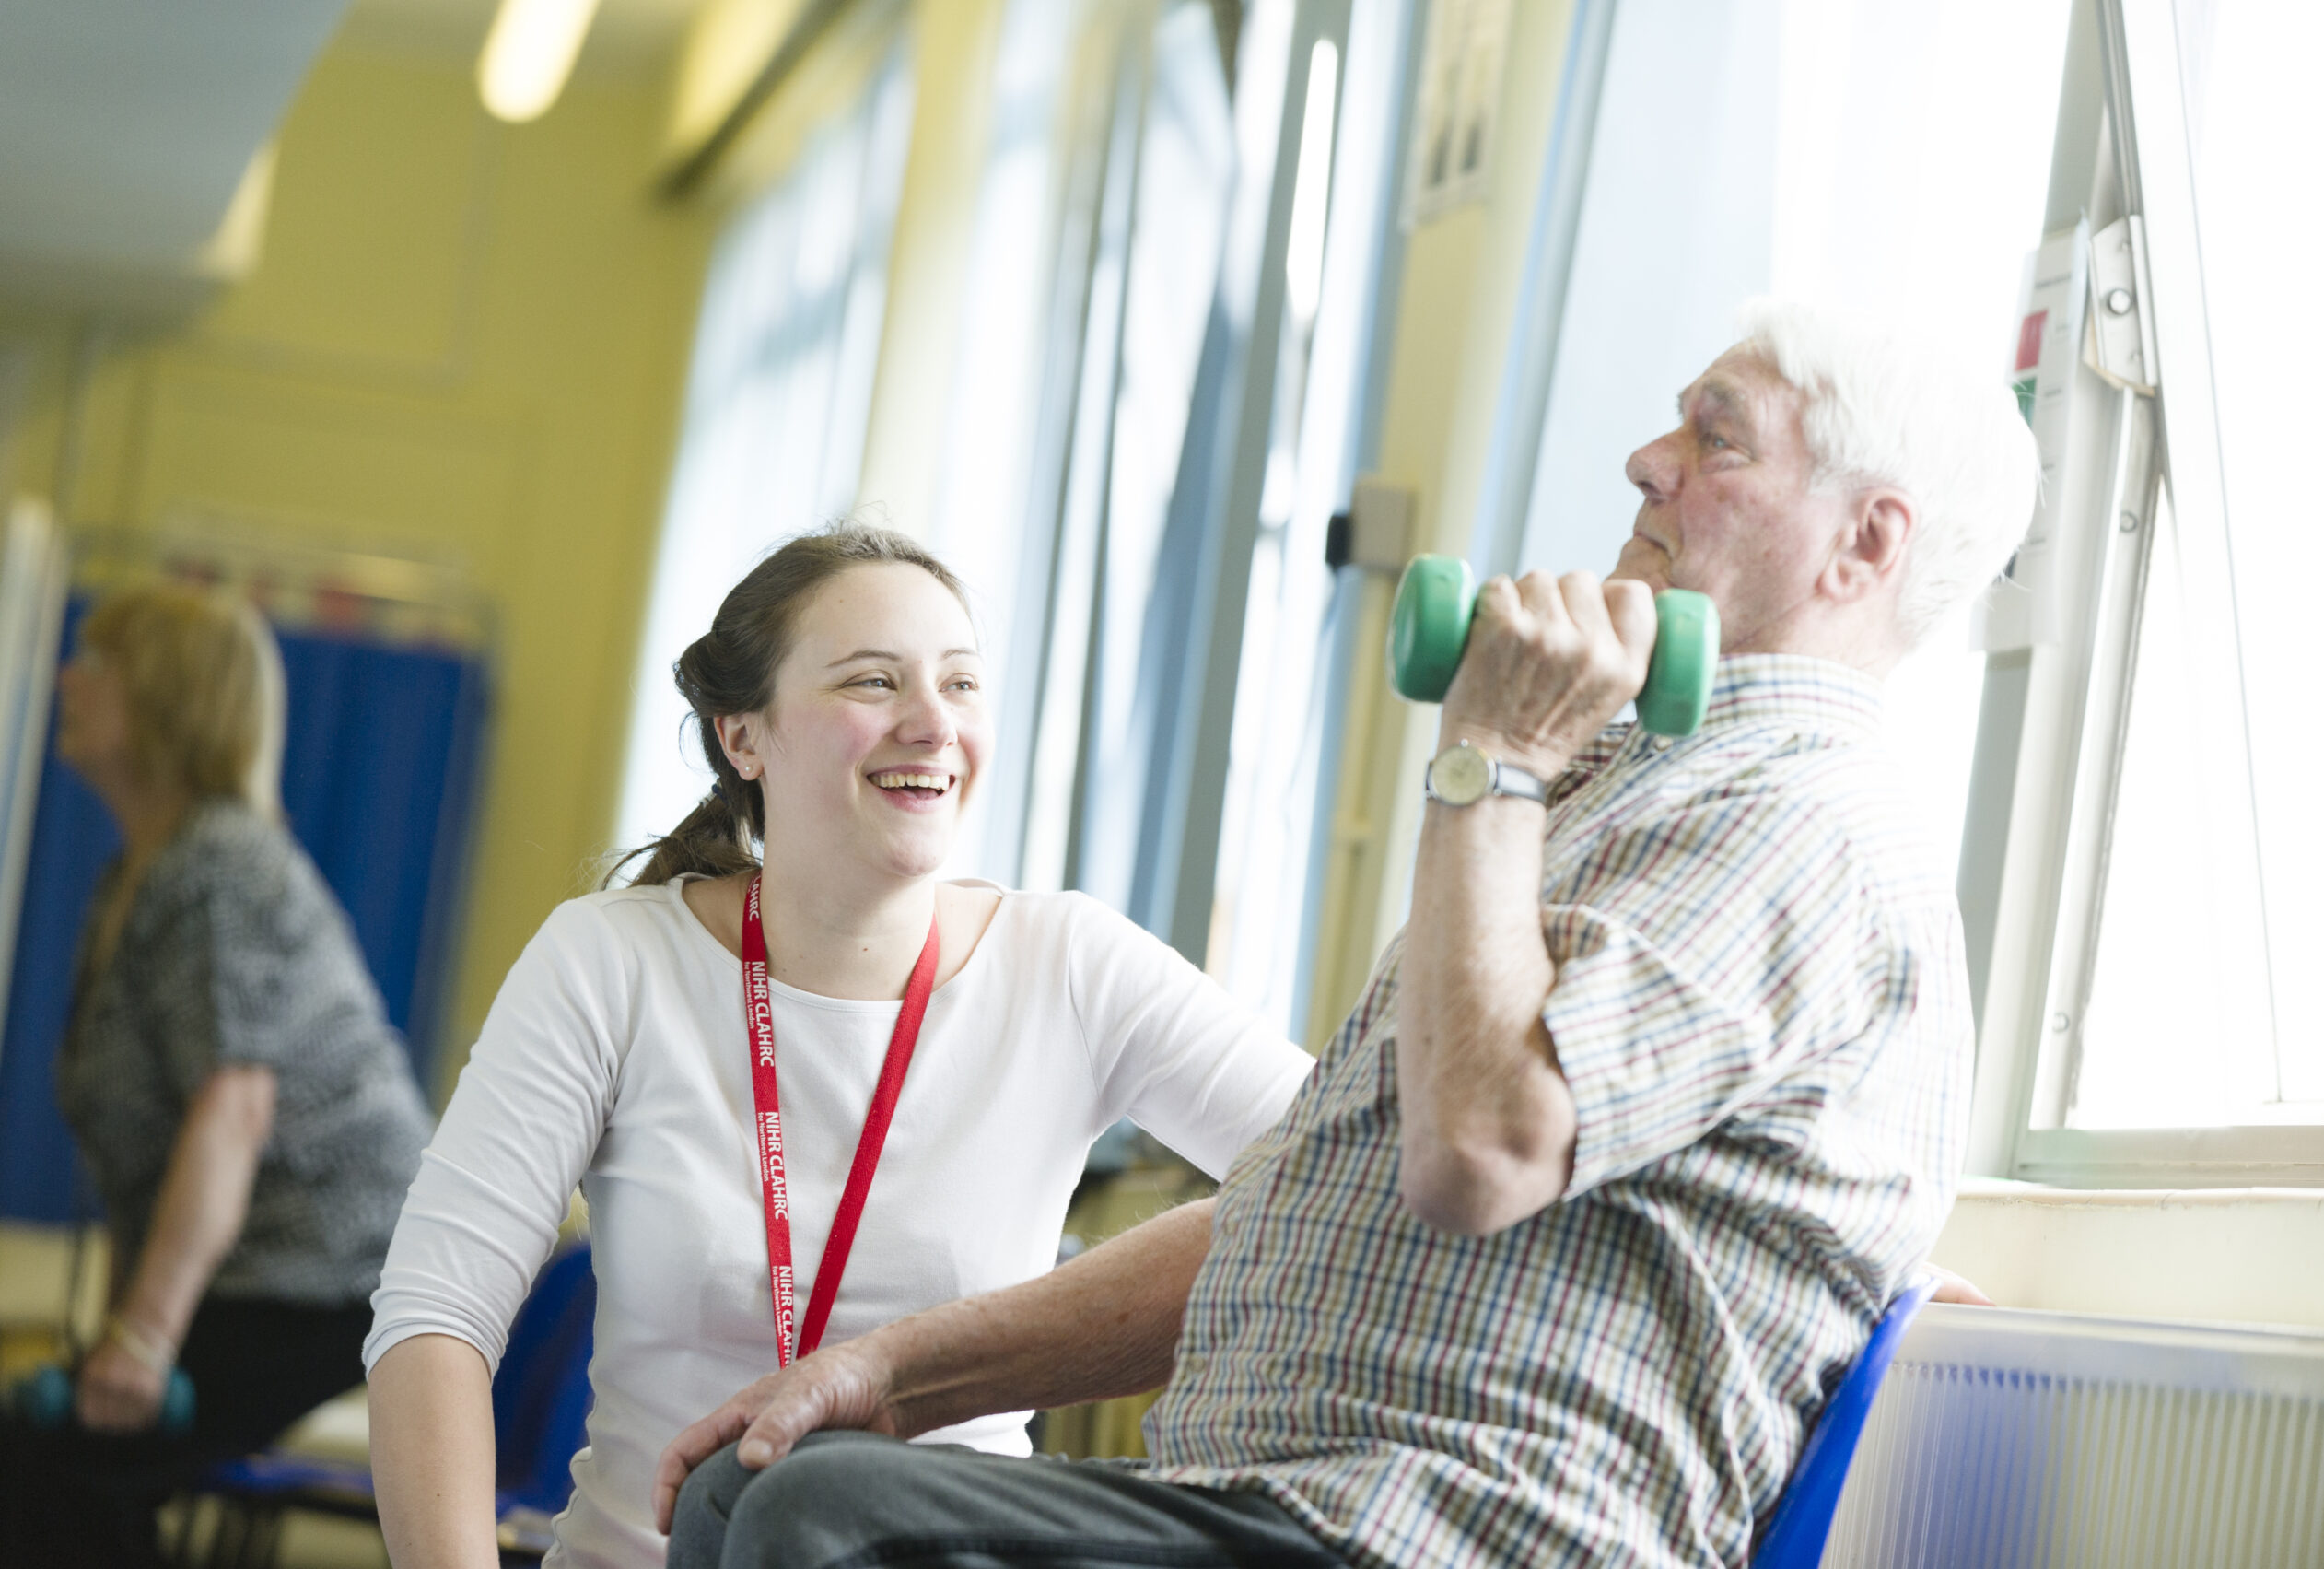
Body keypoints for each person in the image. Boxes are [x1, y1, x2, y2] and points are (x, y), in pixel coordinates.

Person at [656, 301, 2041, 1569]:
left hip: (1443, 1532)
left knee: (831, 1524)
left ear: (1867, 543)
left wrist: (1493, 751)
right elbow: (1299, 1208)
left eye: (1714, 436)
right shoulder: (1617, 790)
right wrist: (895, 1373)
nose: (1644, 458)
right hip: (1281, 1498)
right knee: (767, 1477)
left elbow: (1484, 1152)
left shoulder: (1800, 824)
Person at [365, 524, 1313, 1568]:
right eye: (873, 681)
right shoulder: (612, 961)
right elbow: (435, 1316)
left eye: (960, 683)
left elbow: (1352, 1173)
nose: (932, 722)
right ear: (744, 736)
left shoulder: (1073, 966)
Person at [0, 584, 434, 1569]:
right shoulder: (135, 876)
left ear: (167, 695)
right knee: (52, 1463)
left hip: (333, 1269)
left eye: (98, 662)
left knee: (51, 1468)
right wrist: (121, 1333)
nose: (69, 676)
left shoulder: (221, 862)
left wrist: (146, 1340)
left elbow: (231, 1113)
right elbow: (142, 1160)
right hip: (257, 1272)